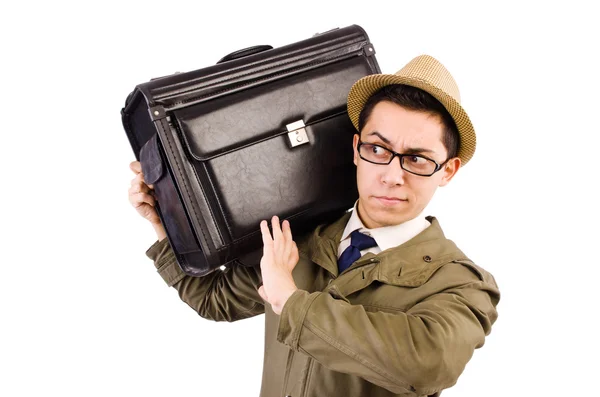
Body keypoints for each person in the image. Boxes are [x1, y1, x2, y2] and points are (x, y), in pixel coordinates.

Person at [128, 54, 500, 397]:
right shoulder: (301, 240)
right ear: (356, 149)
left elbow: (426, 364)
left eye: (417, 159)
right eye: (377, 149)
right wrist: (167, 223)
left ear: (447, 170)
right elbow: (213, 299)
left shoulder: (462, 283)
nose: (391, 176)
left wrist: (288, 299)